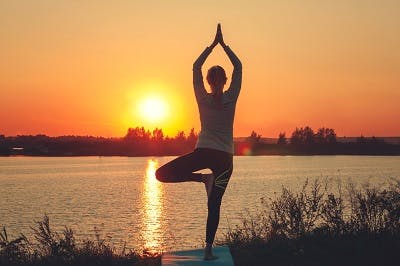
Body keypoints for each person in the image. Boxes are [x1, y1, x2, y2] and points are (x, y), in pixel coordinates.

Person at [155, 23, 242, 260]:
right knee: (214, 206)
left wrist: (211, 46)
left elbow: (195, 66)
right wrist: (224, 45)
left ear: (207, 80)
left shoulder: (202, 97)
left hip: (204, 153)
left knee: (160, 174)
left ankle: (202, 178)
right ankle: (208, 251)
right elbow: (239, 66)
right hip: (224, 160)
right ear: (225, 80)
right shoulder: (231, 96)